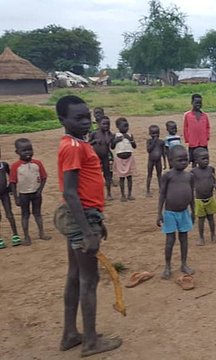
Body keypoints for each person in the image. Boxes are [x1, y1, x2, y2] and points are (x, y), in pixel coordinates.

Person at [54, 95, 122, 356]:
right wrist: (87, 231)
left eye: (87, 117)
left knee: (74, 275)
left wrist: (96, 220)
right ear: (62, 120)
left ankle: (71, 334)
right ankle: (91, 341)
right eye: (78, 118)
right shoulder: (73, 146)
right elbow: (70, 192)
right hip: (80, 215)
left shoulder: (76, 143)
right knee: (88, 280)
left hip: (83, 214)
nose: (85, 122)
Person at [157, 145, 195, 280]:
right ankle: (167, 267)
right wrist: (159, 213)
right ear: (171, 161)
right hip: (170, 213)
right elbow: (162, 194)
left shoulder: (189, 176)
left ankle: (184, 264)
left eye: (186, 159)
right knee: (170, 241)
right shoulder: (167, 176)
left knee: (184, 239)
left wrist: (193, 211)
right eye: (180, 160)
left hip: (184, 212)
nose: (184, 162)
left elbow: (191, 194)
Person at [10, 138, 50, 245]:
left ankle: (42, 233)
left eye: (29, 149)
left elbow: (44, 177)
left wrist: (40, 190)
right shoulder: (15, 166)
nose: (28, 152)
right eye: (24, 150)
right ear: (17, 152)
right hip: (23, 195)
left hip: (36, 194)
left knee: (37, 213)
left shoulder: (37, 163)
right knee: (25, 215)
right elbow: (12, 183)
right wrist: (16, 197)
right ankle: (26, 237)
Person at [191, 148, 216, 245]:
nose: (206, 160)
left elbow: (215, 181)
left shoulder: (211, 169)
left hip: (210, 198)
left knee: (211, 218)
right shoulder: (193, 172)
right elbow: (190, 185)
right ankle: (201, 237)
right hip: (199, 199)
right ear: (196, 161)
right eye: (203, 159)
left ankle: (213, 235)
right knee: (201, 219)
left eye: (207, 158)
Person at [111, 117, 137, 201]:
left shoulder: (130, 135)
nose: (126, 128)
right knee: (121, 178)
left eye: (127, 126)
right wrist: (116, 141)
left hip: (129, 158)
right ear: (118, 127)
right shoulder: (115, 136)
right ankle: (122, 195)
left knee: (129, 177)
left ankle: (129, 194)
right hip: (119, 159)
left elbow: (134, 146)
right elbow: (112, 146)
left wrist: (130, 139)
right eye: (124, 126)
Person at [88, 116, 114, 200]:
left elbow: (108, 143)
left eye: (108, 124)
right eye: (104, 124)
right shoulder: (94, 133)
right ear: (99, 124)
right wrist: (94, 141)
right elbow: (88, 144)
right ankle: (96, 194)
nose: (106, 126)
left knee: (107, 175)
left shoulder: (110, 134)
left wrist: (107, 134)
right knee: (96, 176)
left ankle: (109, 193)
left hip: (105, 157)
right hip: (95, 157)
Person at [0, 147, 20, 247]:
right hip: (4, 193)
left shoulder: (3, 165)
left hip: (4, 193)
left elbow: (11, 176)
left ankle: (15, 234)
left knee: (9, 213)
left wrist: (10, 188)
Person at [183, 94, 210, 167]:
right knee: (194, 161)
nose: (198, 104)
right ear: (192, 102)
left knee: (203, 159)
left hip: (203, 142)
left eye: (200, 103)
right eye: (196, 103)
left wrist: (207, 137)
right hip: (193, 142)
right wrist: (187, 139)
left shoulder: (204, 116)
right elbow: (185, 127)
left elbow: (207, 127)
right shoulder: (188, 115)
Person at [146, 125, 166, 197]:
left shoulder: (161, 142)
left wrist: (165, 163)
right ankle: (148, 190)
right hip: (151, 161)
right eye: (153, 133)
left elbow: (164, 153)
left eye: (157, 133)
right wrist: (154, 141)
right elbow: (149, 150)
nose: (155, 135)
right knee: (149, 175)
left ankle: (161, 189)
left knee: (159, 175)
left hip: (158, 161)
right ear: (150, 134)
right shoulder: (149, 141)